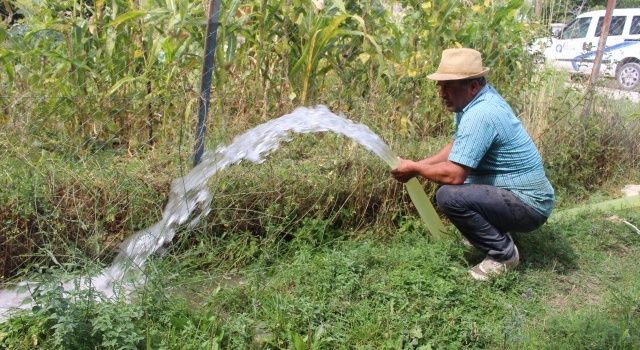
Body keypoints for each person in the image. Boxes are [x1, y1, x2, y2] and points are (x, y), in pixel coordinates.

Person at [391, 48, 555, 281]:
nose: (441, 92)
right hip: (524, 196)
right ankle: (492, 233)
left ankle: (503, 255)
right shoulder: (476, 102)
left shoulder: (481, 114)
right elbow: (458, 146)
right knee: (460, 187)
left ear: (473, 86)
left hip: (530, 205)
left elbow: (455, 174)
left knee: (449, 195)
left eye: (448, 86)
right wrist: (418, 164)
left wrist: (415, 169)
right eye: (440, 85)